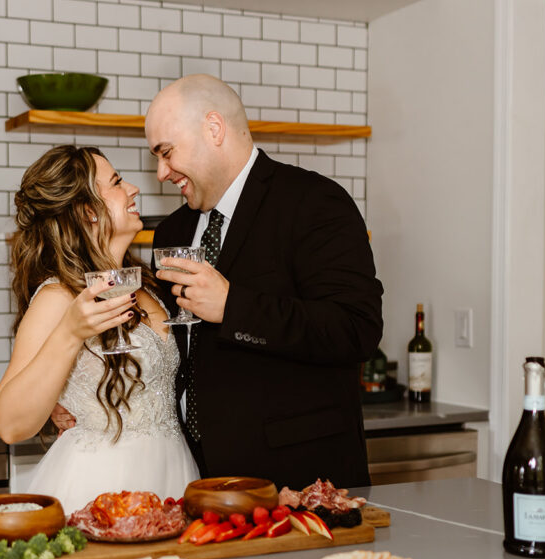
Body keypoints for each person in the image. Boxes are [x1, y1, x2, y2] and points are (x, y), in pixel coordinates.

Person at [143, 74, 384, 489]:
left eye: (166, 152)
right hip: (196, 478)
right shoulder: (171, 235)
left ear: (213, 129)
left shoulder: (314, 202)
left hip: (300, 478)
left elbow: (356, 329)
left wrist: (233, 306)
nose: (162, 172)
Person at [0, 145, 199, 513]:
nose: (134, 188)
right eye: (118, 183)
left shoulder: (148, 285)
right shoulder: (59, 296)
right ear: (88, 210)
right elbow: (10, 424)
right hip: (102, 484)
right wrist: (69, 333)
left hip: (174, 473)